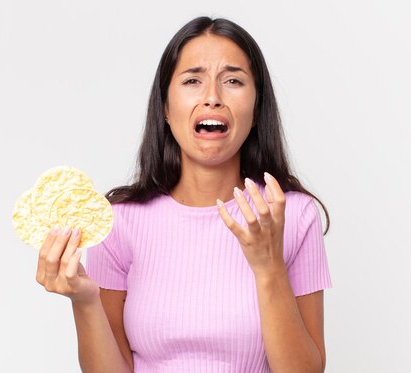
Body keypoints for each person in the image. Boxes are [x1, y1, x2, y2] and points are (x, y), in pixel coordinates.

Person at [35, 16, 332, 372]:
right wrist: (84, 301)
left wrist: (269, 268)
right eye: (193, 80)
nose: (212, 97)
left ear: (256, 109)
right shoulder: (121, 220)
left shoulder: (292, 216)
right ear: (165, 107)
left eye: (233, 81)